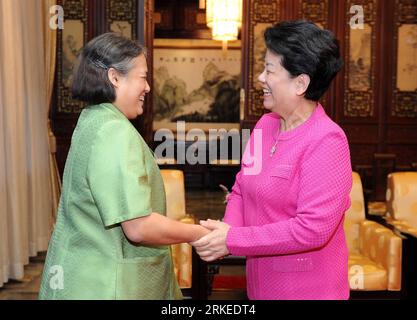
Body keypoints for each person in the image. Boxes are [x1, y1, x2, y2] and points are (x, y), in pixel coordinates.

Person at [39, 33, 209, 300]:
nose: (148, 87)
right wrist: (198, 233)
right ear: (115, 77)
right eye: (142, 77)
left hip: (84, 275)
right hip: (108, 284)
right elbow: (138, 226)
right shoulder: (113, 132)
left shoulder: (92, 118)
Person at [192, 20, 353, 300]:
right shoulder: (265, 126)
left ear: (300, 83)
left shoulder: (327, 141)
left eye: (269, 69)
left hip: (308, 291)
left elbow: (312, 230)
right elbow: (241, 190)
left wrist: (232, 239)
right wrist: (227, 232)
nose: (260, 78)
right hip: (260, 285)